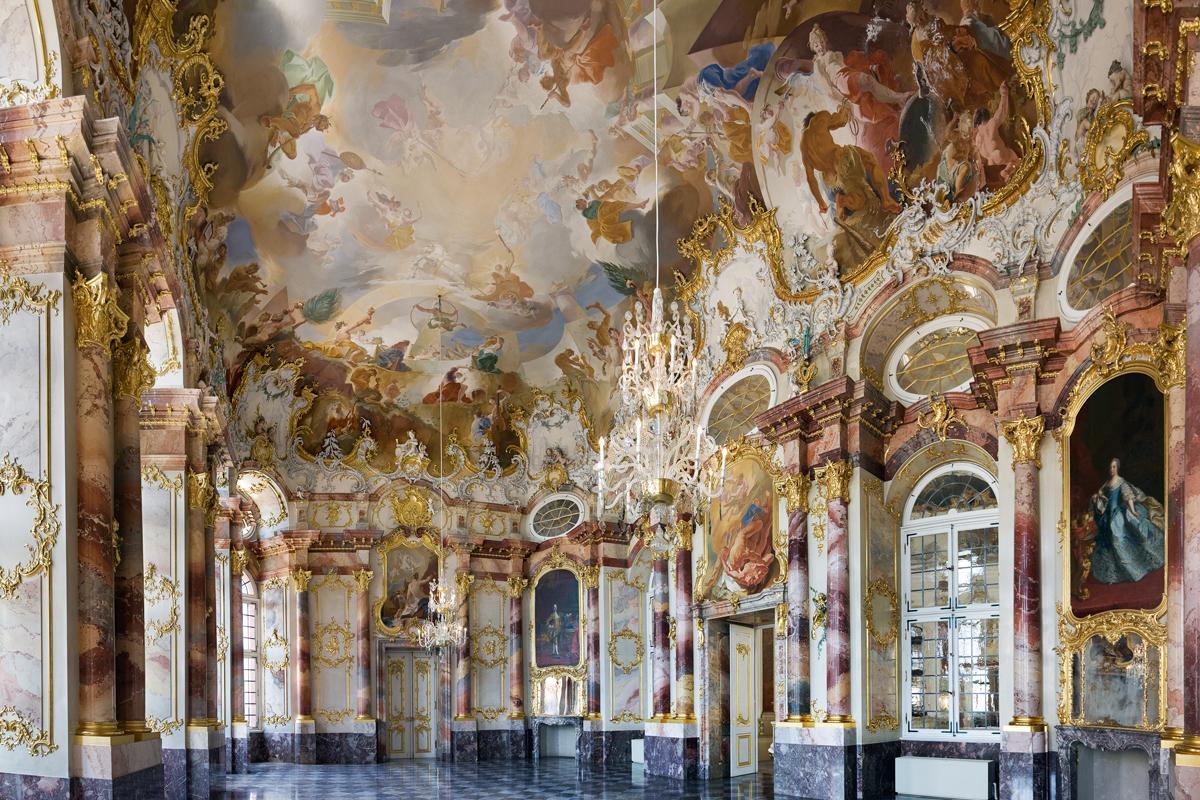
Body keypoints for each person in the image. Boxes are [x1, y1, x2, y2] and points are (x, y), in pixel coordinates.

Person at [1088, 457, 1165, 584]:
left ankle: (1134, 569)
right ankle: (1114, 572)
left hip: (1118, 514)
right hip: (1107, 515)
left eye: (1114, 467)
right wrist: (1097, 498)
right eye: (1110, 467)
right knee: (1107, 539)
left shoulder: (1121, 482)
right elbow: (1102, 496)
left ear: (1117, 468)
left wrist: (1133, 511)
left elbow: (1128, 497)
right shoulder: (1107, 484)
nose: (1111, 469)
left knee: (1117, 537)